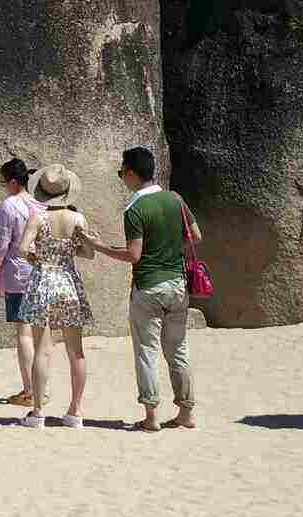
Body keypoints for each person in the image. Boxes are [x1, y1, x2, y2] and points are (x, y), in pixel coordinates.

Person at [105, 146, 198, 432]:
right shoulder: (175, 199)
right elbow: (195, 235)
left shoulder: (135, 209)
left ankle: (151, 416)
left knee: (147, 352)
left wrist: (100, 248)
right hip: (178, 285)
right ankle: (185, 413)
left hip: (148, 286)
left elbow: (134, 255)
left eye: (122, 173)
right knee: (178, 351)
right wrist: (170, 250)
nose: (122, 178)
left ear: (132, 174)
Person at [16, 165, 105, 428]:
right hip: (68, 282)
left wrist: (35, 256)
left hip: (43, 280)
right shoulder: (78, 219)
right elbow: (89, 253)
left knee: (42, 351)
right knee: (76, 351)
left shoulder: (37, 218)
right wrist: (69, 249)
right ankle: (75, 411)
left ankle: (38, 412)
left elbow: (22, 248)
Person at [0, 157, 45, 405]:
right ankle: (39, 389)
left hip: (18, 273)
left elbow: (0, 244)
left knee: (23, 333)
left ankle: (30, 390)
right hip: (42, 272)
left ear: (12, 181)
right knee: (41, 335)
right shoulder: (40, 203)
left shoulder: (9, 205)